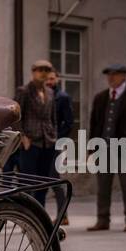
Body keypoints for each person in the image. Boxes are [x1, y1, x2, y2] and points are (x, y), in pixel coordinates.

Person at [86, 62, 126, 232]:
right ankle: (103, 220)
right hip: (103, 149)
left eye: (114, 74)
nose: (111, 78)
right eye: (108, 74)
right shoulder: (100, 97)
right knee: (103, 188)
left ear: (123, 76)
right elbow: (95, 125)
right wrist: (91, 149)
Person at [13, 59, 58, 211]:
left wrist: (54, 135)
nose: (43, 73)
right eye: (40, 70)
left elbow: (53, 117)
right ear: (33, 72)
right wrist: (22, 137)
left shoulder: (50, 92)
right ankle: (25, 213)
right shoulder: (24, 91)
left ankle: (40, 212)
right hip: (31, 142)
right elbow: (16, 116)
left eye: (46, 70)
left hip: (48, 141)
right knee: (27, 182)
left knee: (43, 182)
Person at [46, 69, 73, 224]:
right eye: (47, 79)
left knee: (53, 178)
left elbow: (68, 123)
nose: (49, 81)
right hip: (42, 144)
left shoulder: (63, 97)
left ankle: (63, 215)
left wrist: (58, 140)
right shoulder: (41, 96)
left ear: (57, 79)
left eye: (52, 78)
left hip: (55, 144)